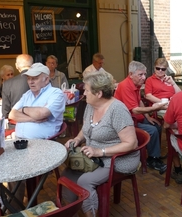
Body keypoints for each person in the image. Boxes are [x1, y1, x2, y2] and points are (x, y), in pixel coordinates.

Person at [61, 71, 140, 217]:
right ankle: (74, 210)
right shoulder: (91, 105)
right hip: (93, 156)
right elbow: (86, 129)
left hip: (117, 158)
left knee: (85, 181)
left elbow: (131, 143)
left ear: (99, 94)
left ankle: (90, 214)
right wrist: (77, 140)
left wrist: (100, 151)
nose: (83, 92)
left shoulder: (117, 110)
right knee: (67, 174)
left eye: (86, 90)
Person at [114, 61, 167, 174]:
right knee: (152, 130)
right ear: (131, 74)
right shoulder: (125, 86)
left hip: (135, 118)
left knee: (156, 125)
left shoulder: (135, 85)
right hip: (127, 123)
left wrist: (148, 117)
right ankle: (153, 160)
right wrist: (154, 108)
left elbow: (139, 102)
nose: (144, 77)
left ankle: (154, 155)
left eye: (144, 74)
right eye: (140, 75)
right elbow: (135, 109)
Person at [9, 63, 65, 139]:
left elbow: (41, 113)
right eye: (28, 78)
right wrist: (32, 119)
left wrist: (23, 109)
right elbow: (12, 115)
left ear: (46, 79)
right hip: (19, 140)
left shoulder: (56, 93)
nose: (30, 82)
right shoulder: (27, 94)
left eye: (35, 78)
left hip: (42, 143)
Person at [2, 54, 33, 119]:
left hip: (16, 123)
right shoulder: (43, 79)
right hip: (40, 122)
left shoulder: (7, 83)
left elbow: (5, 111)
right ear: (32, 65)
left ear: (16, 66)